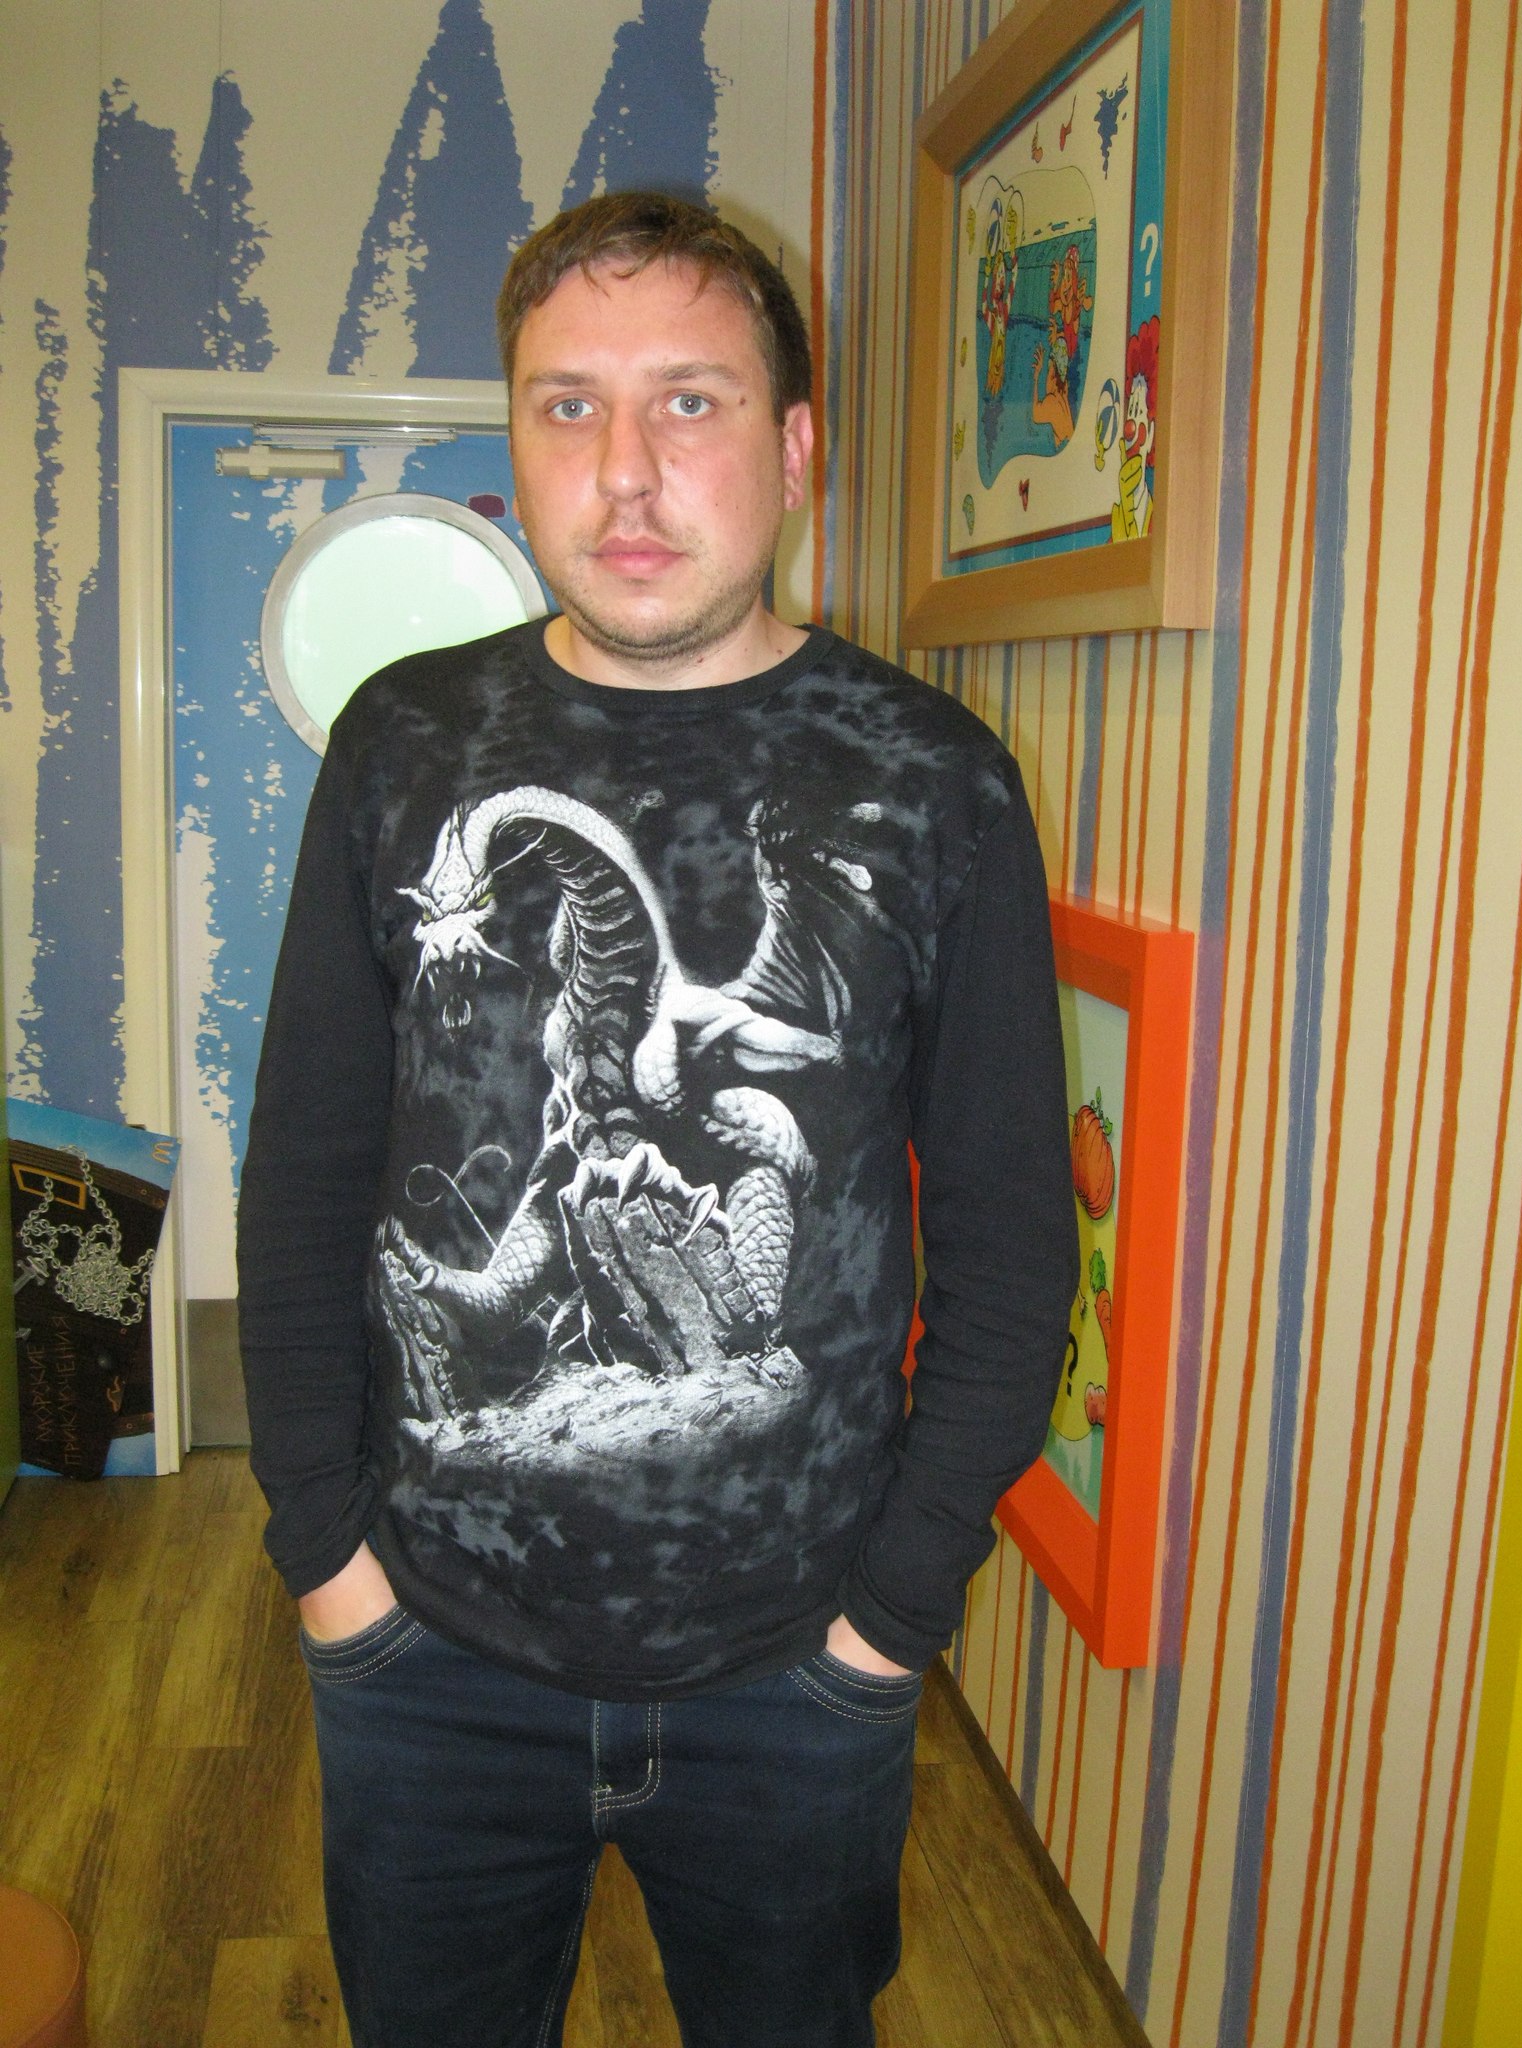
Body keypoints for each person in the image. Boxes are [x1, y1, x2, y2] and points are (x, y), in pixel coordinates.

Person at [237, 189, 1077, 2048]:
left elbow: (1015, 1247)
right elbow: (301, 1183)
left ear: (794, 449)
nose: (625, 471)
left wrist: (886, 1625)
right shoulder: (400, 745)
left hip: (798, 1681)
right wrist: (327, 1562)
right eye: (569, 405)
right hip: (425, 1663)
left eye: (690, 401)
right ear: (517, 444)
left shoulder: (932, 782)